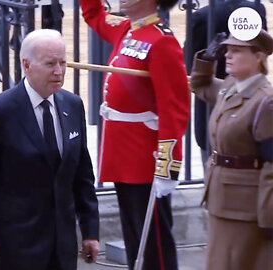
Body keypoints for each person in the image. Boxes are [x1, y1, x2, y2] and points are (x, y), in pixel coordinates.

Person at [0, 29, 100, 270]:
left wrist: (90, 231)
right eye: (50, 64)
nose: (59, 71)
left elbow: (82, 175)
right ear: (26, 64)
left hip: (62, 247)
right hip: (16, 247)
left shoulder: (73, 105)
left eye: (63, 63)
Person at [79, 0, 190, 269]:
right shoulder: (126, 29)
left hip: (145, 157)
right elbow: (93, 13)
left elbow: (173, 109)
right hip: (122, 152)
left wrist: (167, 166)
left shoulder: (162, 41)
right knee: (134, 238)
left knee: (153, 245)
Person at [190, 30, 273, 270]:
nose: (228, 55)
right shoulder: (230, 87)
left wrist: (268, 216)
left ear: (258, 57)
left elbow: (271, 165)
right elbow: (200, 85)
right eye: (227, 50)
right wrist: (207, 58)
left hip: (245, 208)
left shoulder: (265, 101)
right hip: (221, 199)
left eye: (237, 50)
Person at [185, 0, 267, 170]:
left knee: (212, 159)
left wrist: (206, 60)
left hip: (212, 100)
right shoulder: (256, 9)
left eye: (235, 50)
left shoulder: (202, 15)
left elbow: (188, 66)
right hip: (232, 87)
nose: (229, 55)